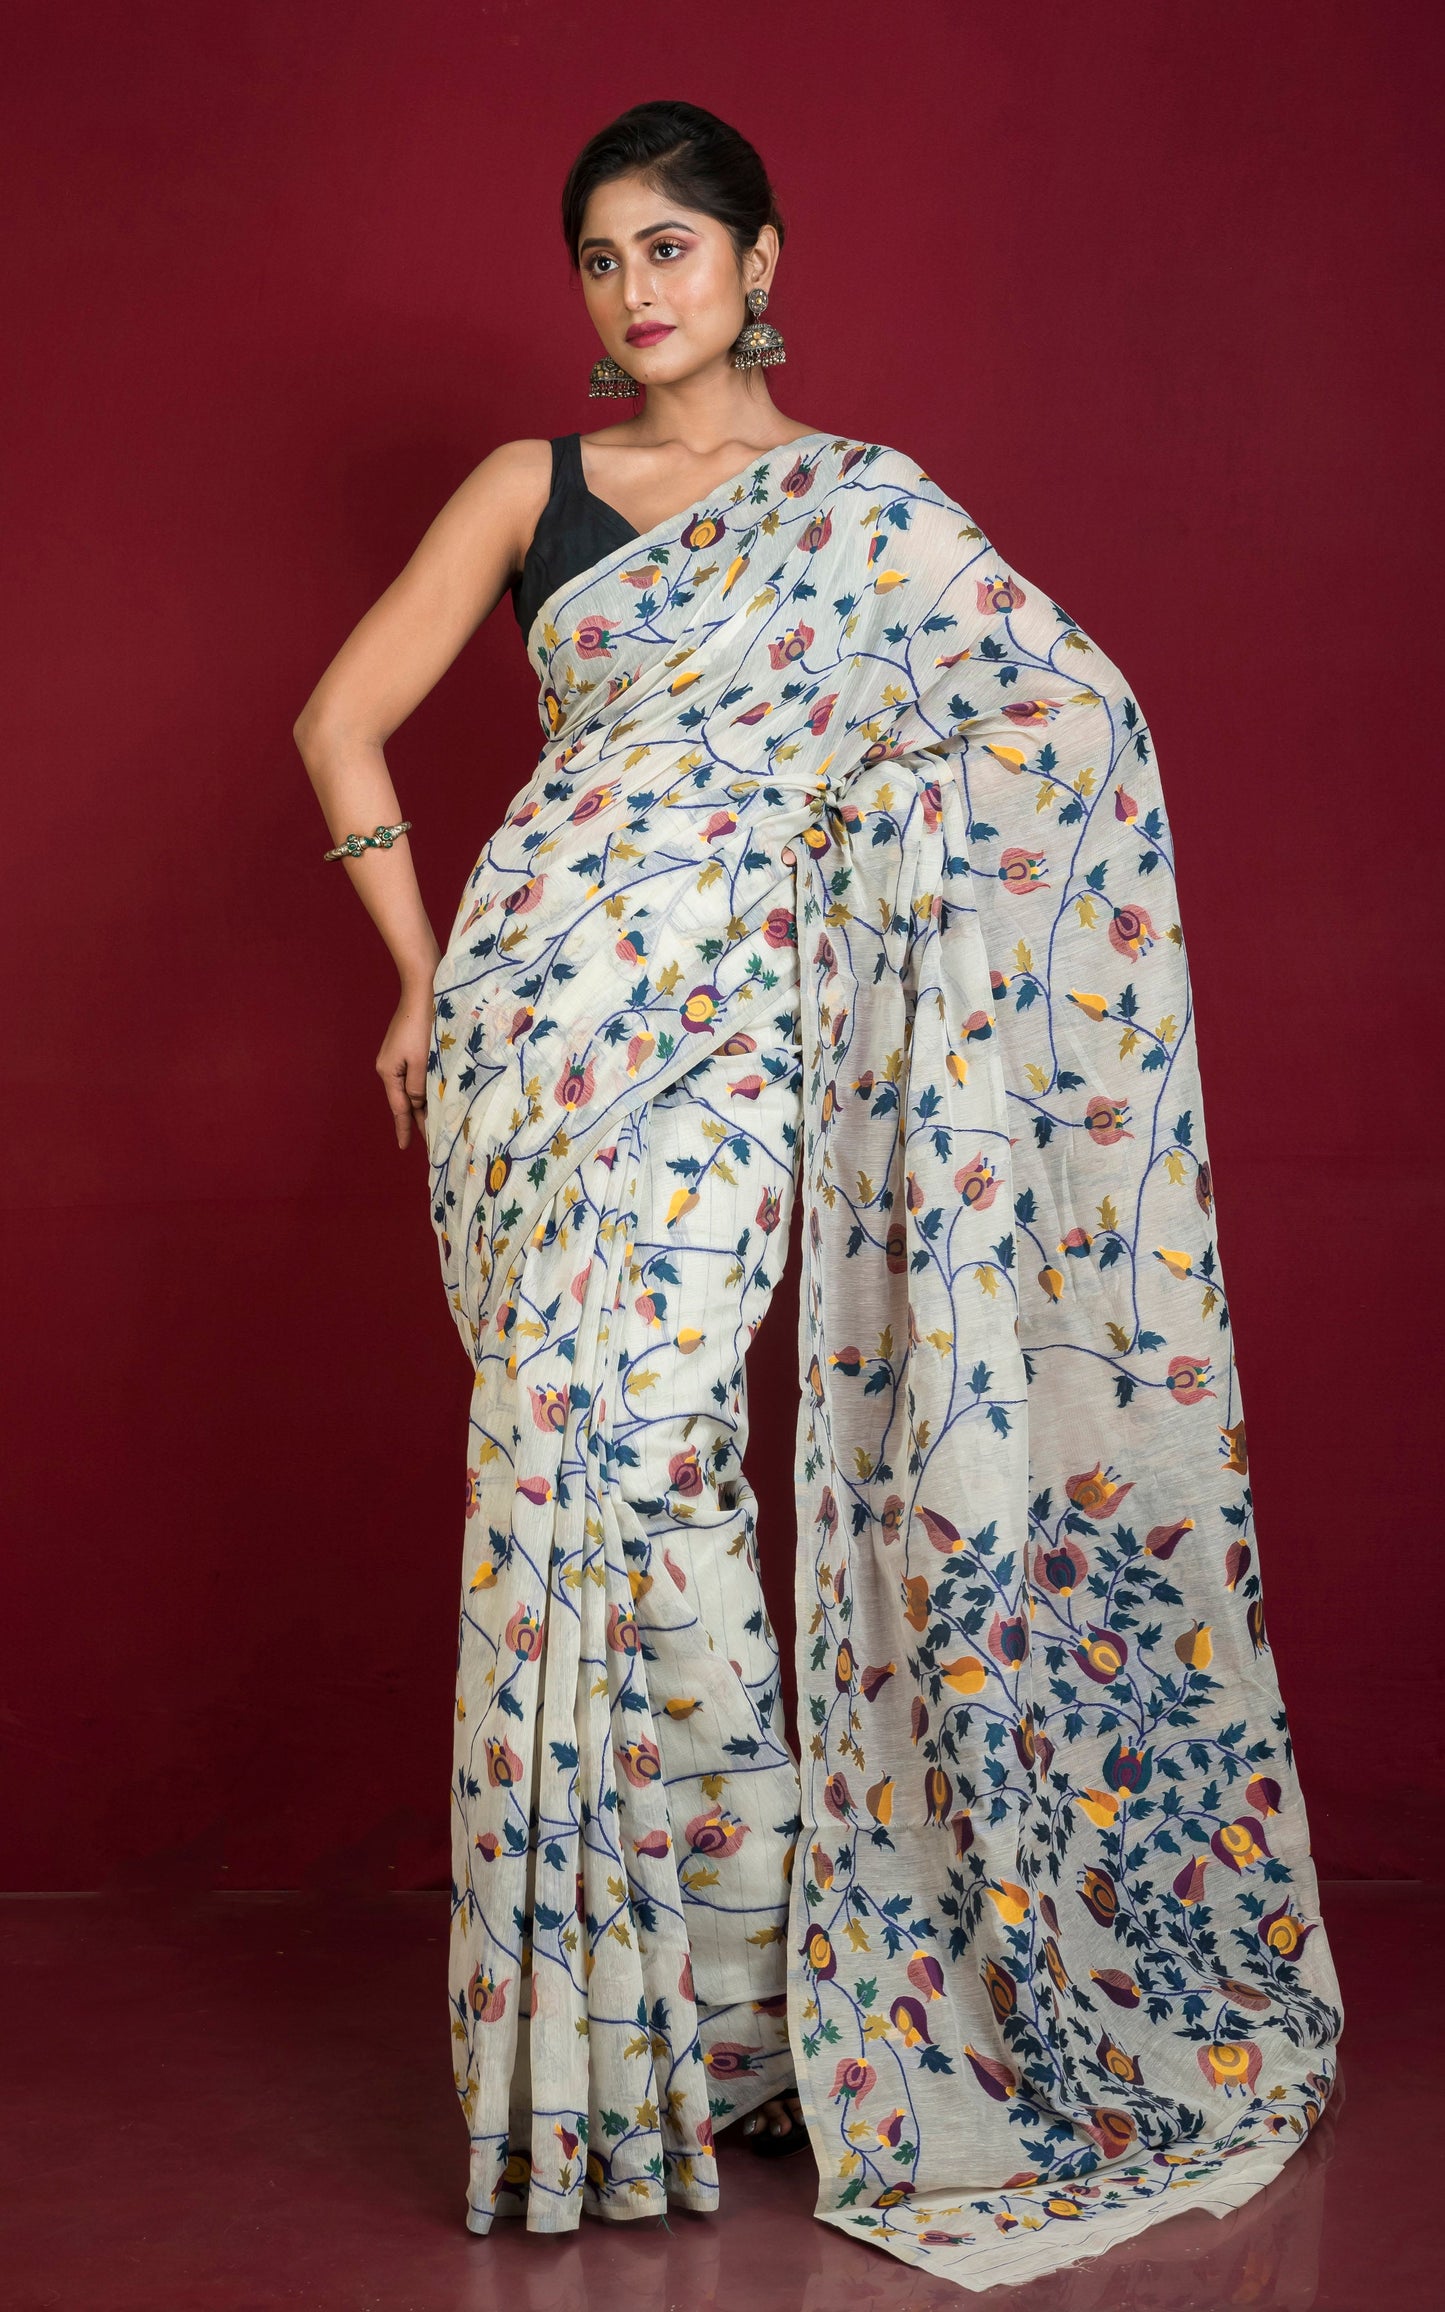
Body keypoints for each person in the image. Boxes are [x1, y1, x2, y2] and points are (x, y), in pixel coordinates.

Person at [294, 97, 1342, 2298]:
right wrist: (412, 970)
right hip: (529, 1024)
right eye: (601, 257)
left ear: (759, 259)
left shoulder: (870, 515)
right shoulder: (527, 488)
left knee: (639, 1451)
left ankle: (754, 1990)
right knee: (594, 1478)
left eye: (672, 245)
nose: (636, 288)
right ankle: (736, 2019)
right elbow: (339, 725)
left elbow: (1057, 722)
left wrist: (880, 846)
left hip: (732, 1040)